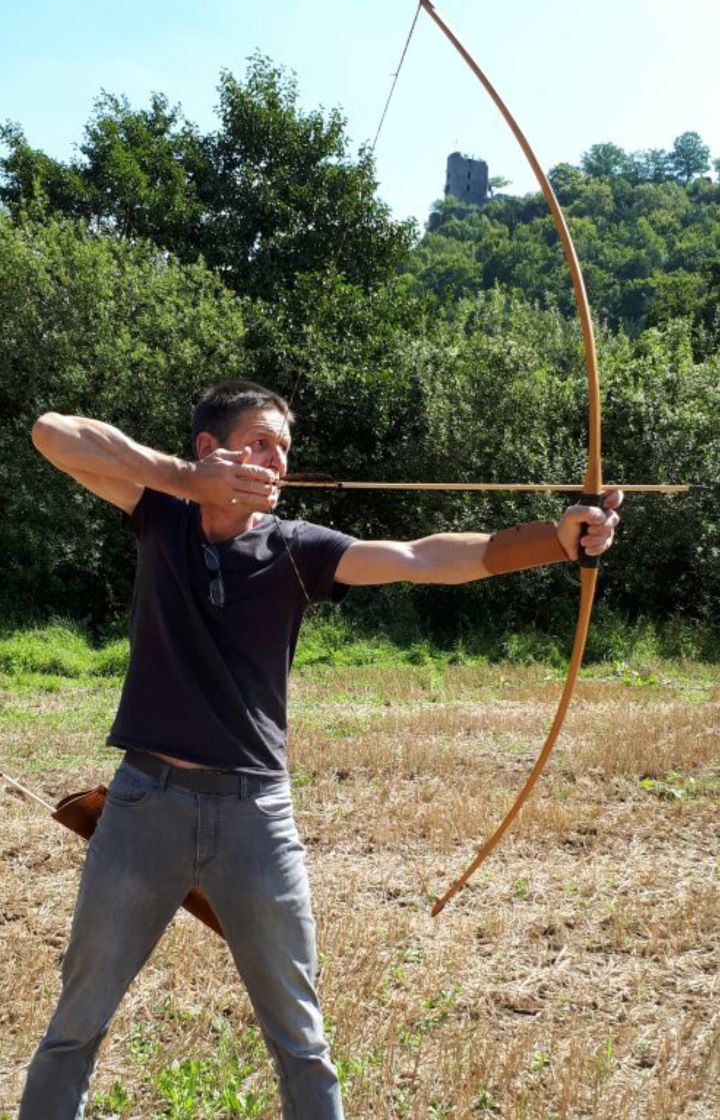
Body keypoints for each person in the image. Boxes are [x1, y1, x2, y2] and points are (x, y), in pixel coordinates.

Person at [22, 378, 621, 1120]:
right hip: (144, 807)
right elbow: (51, 431)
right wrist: (182, 478)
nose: (277, 460)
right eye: (261, 442)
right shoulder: (160, 516)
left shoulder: (297, 548)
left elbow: (423, 556)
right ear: (211, 447)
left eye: (285, 449)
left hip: (254, 821)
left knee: (302, 1042)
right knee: (72, 1029)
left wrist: (557, 540)